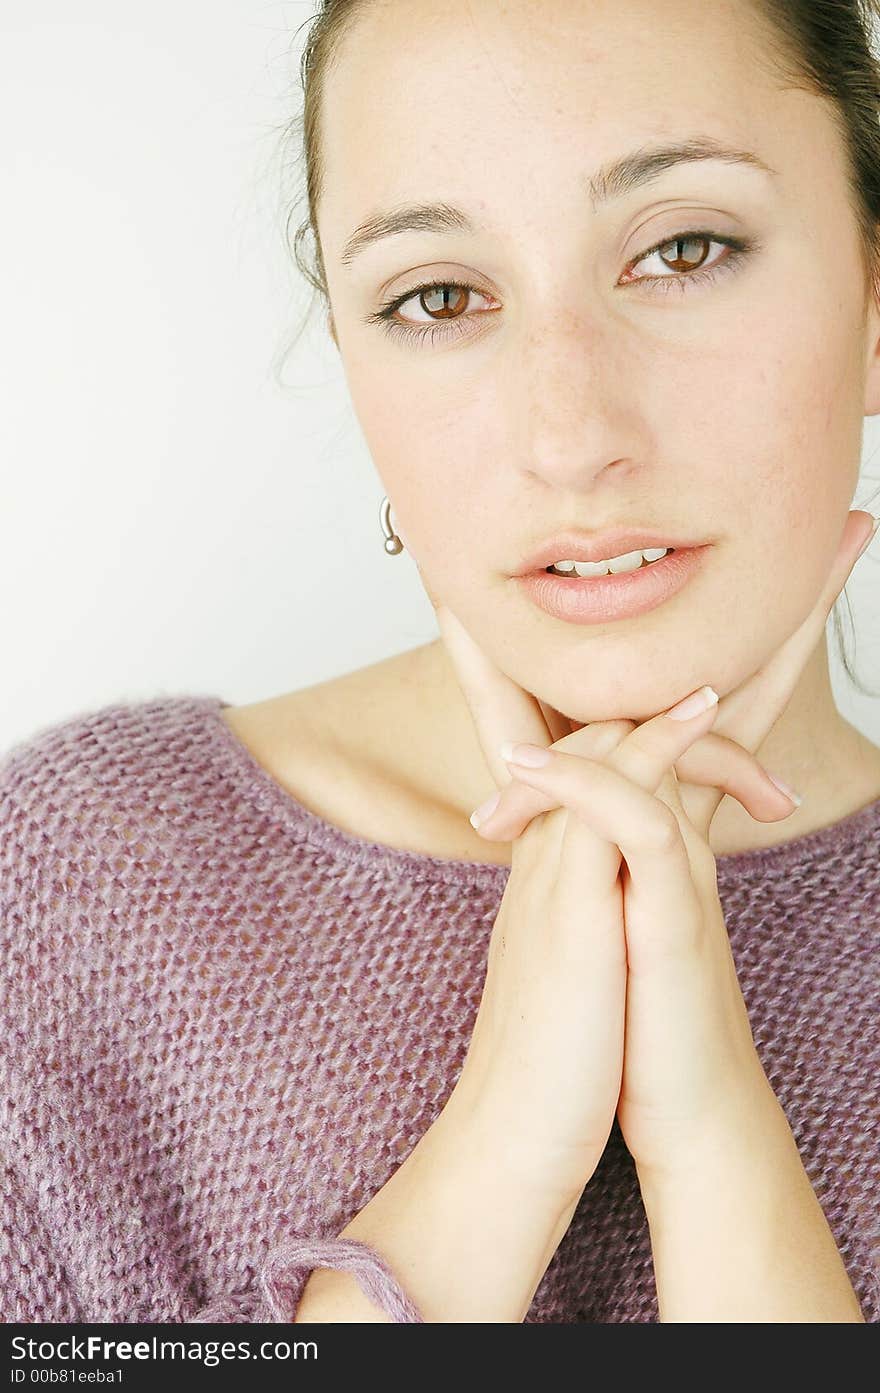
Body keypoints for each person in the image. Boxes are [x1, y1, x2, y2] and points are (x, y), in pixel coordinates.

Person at [2, 0, 880, 1323]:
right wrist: (507, 1131)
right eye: (440, 297)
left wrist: (714, 1139)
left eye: (685, 249)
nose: (572, 432)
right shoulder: (78, 884)